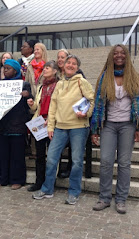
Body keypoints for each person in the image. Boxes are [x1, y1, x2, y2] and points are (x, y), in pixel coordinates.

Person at [91, 44, 139, 214]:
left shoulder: (135, 77)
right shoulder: (104, 77)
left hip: (127, 125)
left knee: (124, 163)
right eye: (116, 53)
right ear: (111, 56)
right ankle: (105, 198)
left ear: (127, 56)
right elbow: (98, 104)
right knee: (106, 161)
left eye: (122, 53)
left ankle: (121, 199)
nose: (119, 56)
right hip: (108, 125)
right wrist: (95, 130)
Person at [32, 55, 94, 205]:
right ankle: (47, 188)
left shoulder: (82, 82)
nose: (71, 65)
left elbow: (92, 100)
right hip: (60, 128)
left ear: (77, 68)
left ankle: (74, 192)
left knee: (77, 161)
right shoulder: (59, 84)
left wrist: (86, 113)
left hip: (78, 127)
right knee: (52, 159)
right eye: (68, 63)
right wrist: (51, 126)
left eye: (74, 64)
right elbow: (53, 107)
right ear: (64, 66)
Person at [0, 59, 32, 190]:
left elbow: (30, 105)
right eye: (4, 68)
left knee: (17, 155)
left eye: (8, 68)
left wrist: (27, 96)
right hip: (3, 125)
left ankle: (18, 179)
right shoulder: (0, 85)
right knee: (3, 154)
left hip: (17, 125)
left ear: (15, 70)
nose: (5, 70)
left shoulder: (24, 85)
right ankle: (3, 178)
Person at [56, 49, 93, 179]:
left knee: (75, 153)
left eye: (63, 57)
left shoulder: (79, 77)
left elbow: (89, 98)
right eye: (59, 57)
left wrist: (86, 113)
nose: (61, 59)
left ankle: (71, 173)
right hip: (61, 121)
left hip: (77, 121)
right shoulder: (57, 76)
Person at [26, 61, 59, 192]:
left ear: (55, 70)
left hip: (52, 124)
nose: (44, 70)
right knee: (39, 155)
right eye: (44, 68)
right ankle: (39, 181)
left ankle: (50, 182)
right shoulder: (41, 87)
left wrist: (52, 119)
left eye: (47, 68)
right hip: (40, 123)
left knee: (52, 156)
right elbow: (36, 107)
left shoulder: (59, 85)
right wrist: (32, 103)